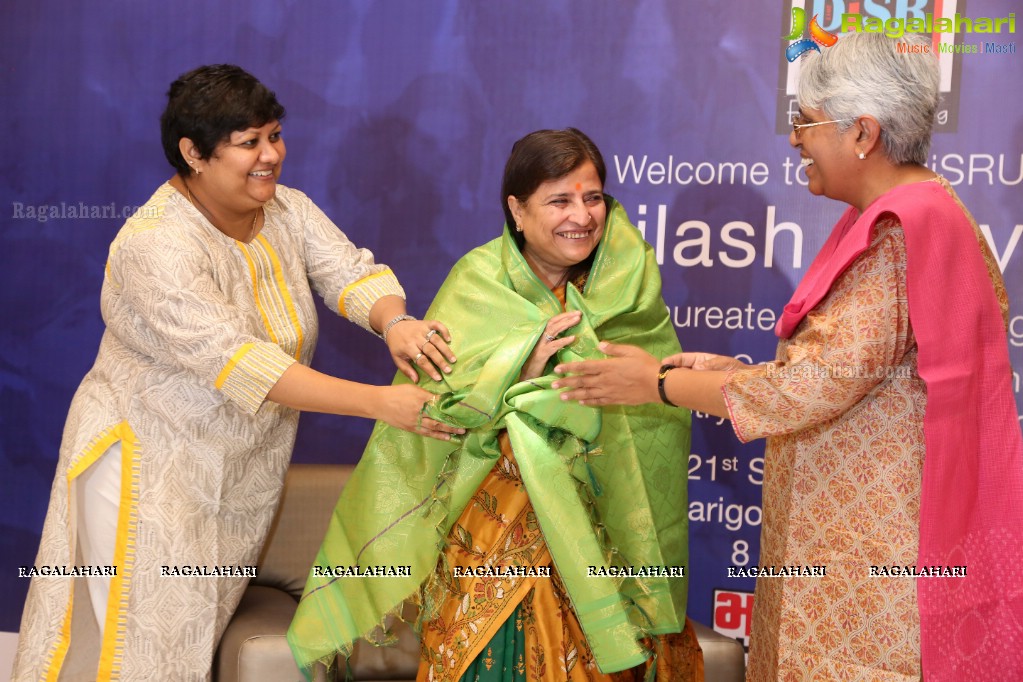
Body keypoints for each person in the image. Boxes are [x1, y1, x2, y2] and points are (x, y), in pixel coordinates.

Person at [553, 33, 1023, 681]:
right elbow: (849, 377)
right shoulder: (912, 215)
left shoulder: (901, 231)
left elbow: (808, 389)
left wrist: (653, 383)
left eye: (804, 123)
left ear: (861, 132)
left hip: (868, 579)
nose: (795, 140)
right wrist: (718, 372)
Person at [12, 64, 464, 681]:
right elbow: (249, 367)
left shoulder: (285, 209)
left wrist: (395, 323)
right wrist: (381, 404)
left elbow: (348, 272)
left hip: (237, 470)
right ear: (193, 153)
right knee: (142, 648)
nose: (270, 156)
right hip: (149, 469)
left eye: (274, 136)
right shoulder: (156, 245)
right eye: (248, 143)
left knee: (190, 646)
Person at [288, 129, 703, 680]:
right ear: (517, 210)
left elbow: (654, 415)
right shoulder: (477, 283)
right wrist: (516, 375)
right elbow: (437, 410)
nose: (582, 215)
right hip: (493, 524)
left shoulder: (627, 284)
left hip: (603, 533)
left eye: (593, 197)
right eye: (559, 200)